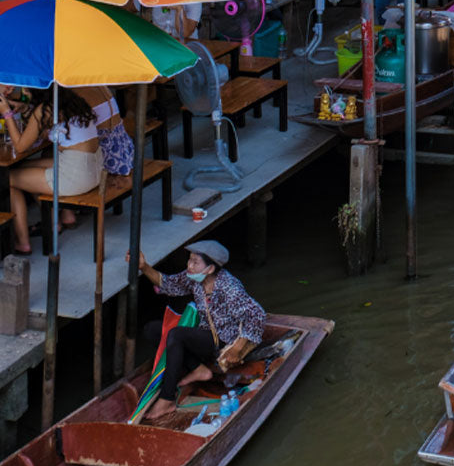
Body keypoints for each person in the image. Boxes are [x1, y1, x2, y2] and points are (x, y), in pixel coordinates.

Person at [131, 240, 266, 421]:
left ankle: (167, 399)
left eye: (195, 262)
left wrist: (237, 348)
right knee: (153, 330)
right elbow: (169, 284)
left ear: (210, 269)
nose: (189, 266)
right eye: (189, 260)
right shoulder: (194, 278)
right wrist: (144, 267)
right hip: (205, 334)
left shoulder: (229, 287)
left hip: (224, 341)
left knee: (176, 335)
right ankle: (199, 368)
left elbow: (257, 315)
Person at [2, 85, 101, 253]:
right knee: (25, 168)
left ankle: (23, 242)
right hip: (94, 169)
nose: (23, 93)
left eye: (25, 90)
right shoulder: (69, 101)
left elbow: (19, 146)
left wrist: (7, 112)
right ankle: (57, 221)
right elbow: (39, 136)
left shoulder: (44, 109)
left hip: (75, 176)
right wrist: (26, 109)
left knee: (6, 179)